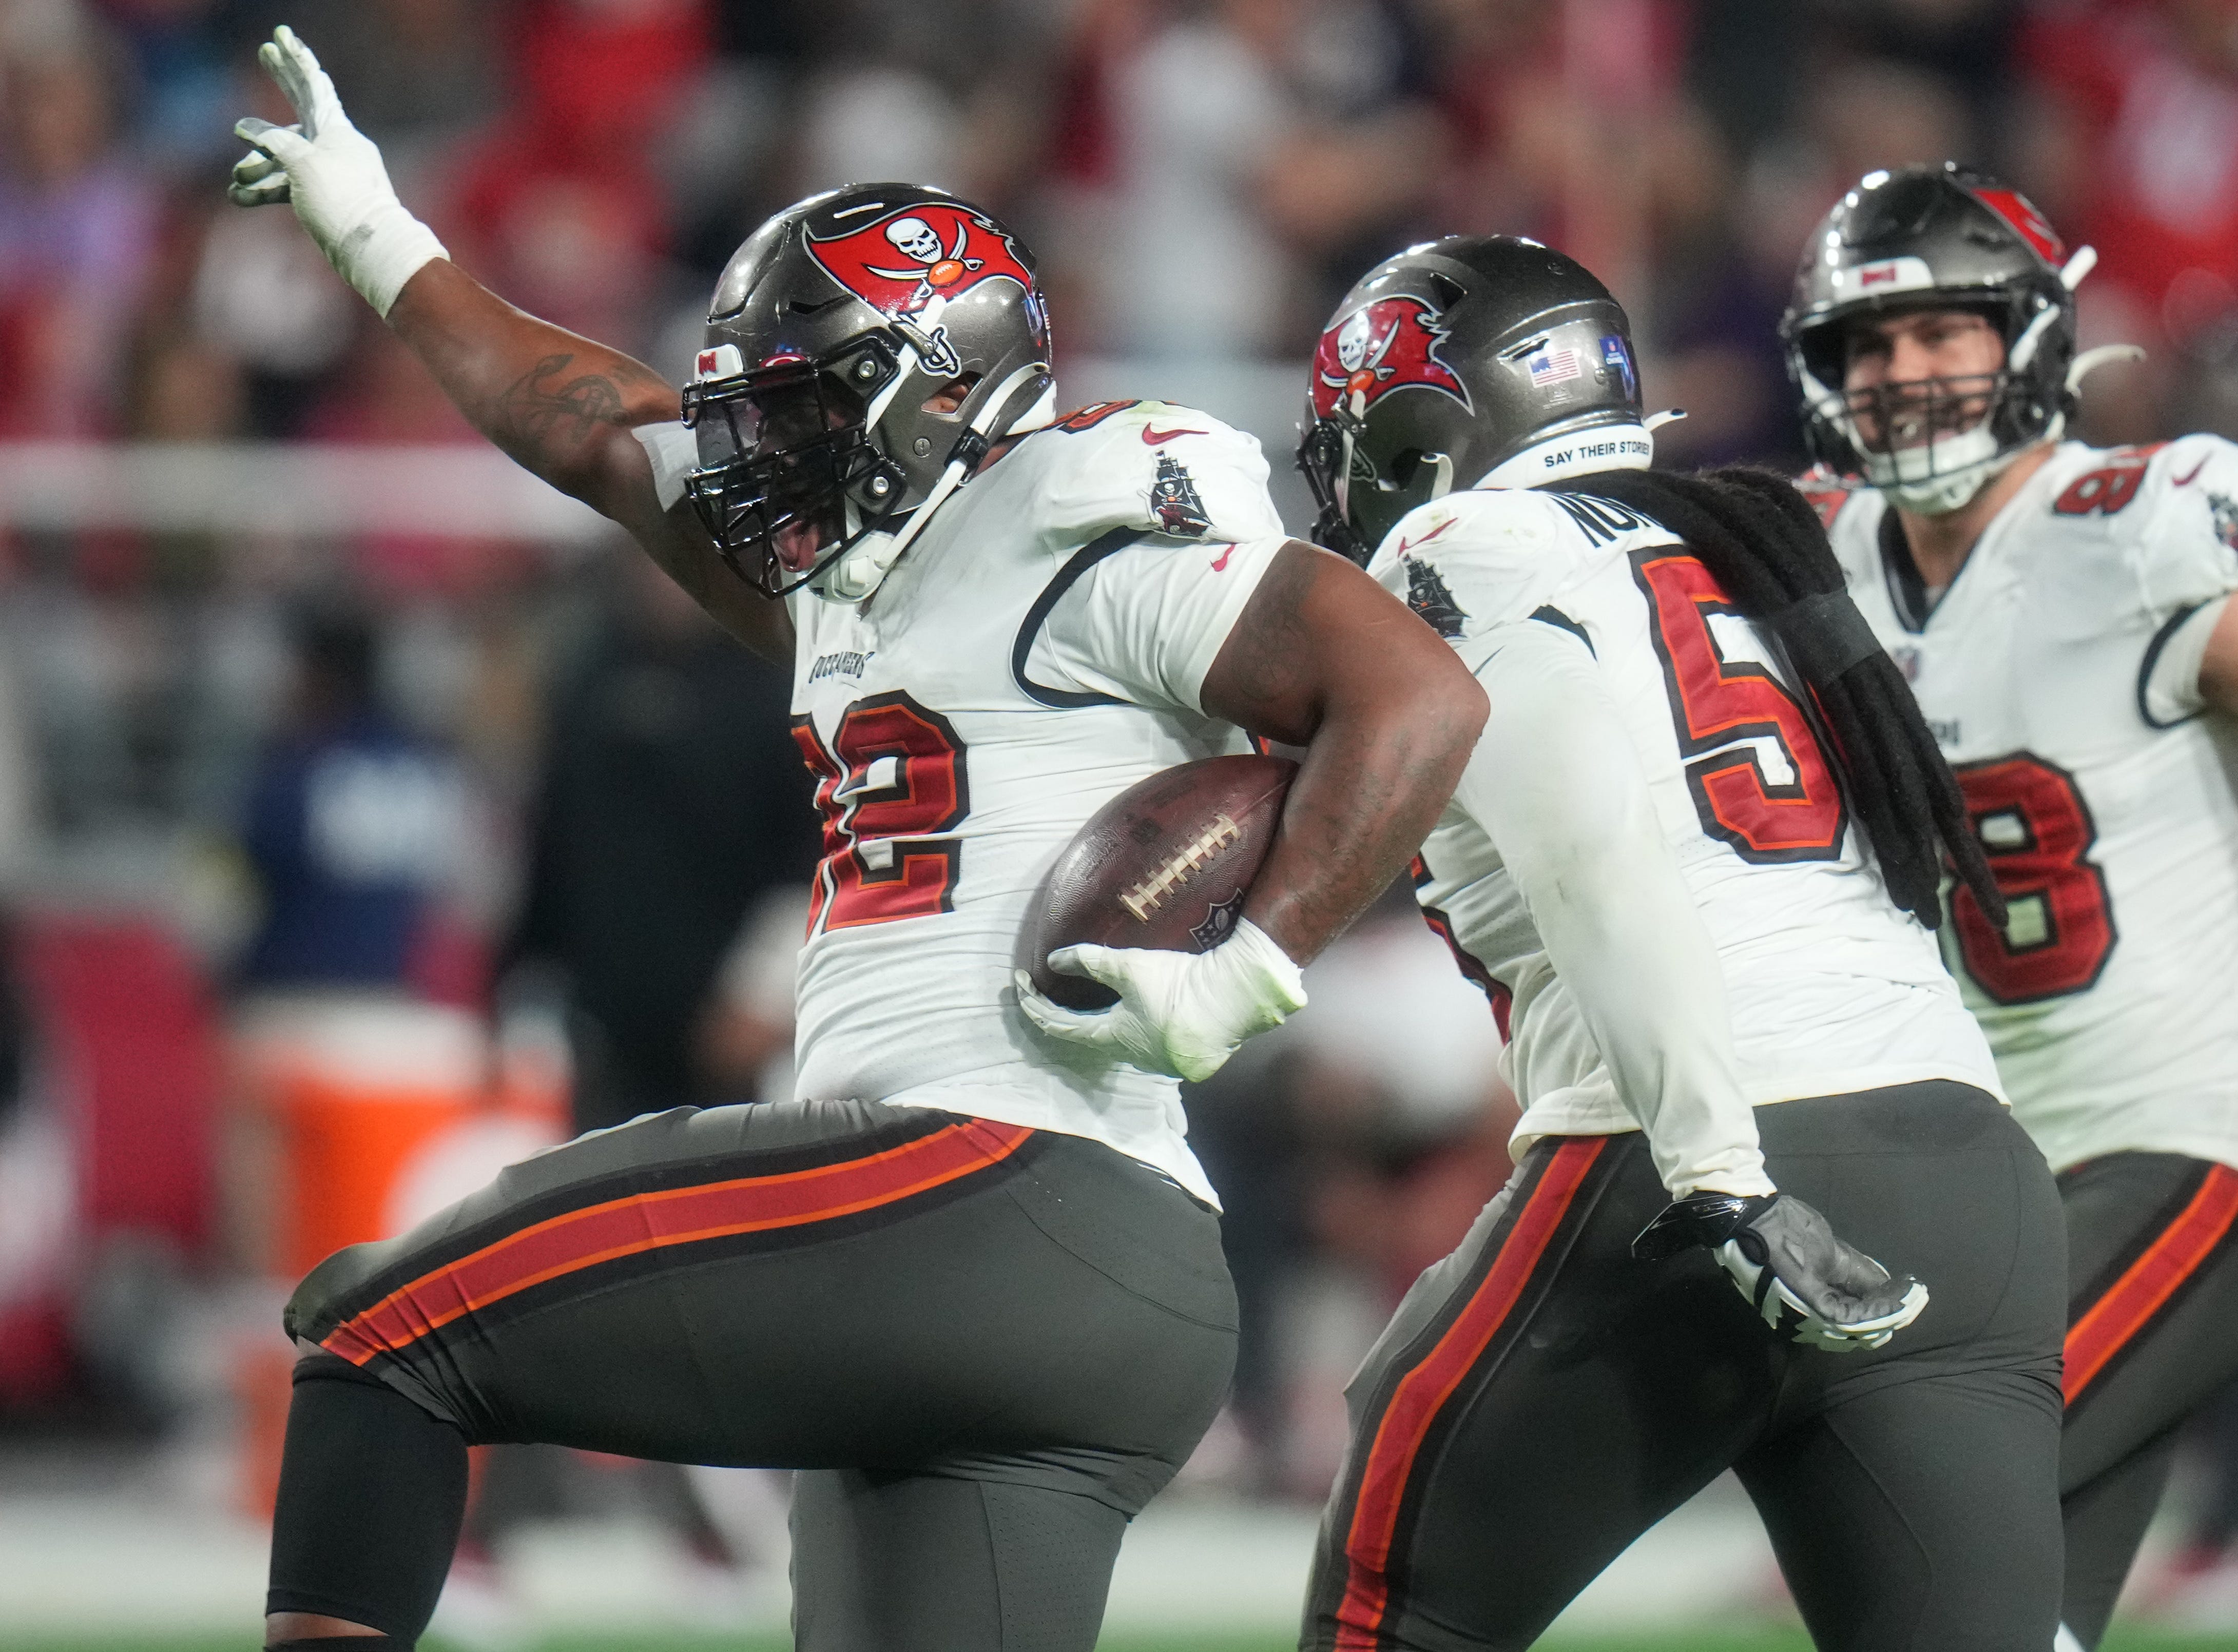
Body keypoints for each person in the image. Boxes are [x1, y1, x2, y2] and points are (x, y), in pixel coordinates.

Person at [225, 27, 1484, 1652]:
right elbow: (597, 427)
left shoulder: (1080, 532)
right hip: (1061, 1282)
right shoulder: (855, 578)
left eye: (805, 405)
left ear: (947, 385)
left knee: (384, 1335)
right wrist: (382, 239)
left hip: (991, 1182)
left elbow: (1416, 698)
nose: (763, 447)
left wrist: (1254, 962)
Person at [1291, 236, 2066, 1651]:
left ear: (1418, 431)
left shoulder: (1457, 546)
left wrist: (1719, 1173)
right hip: (1964, 1160)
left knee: (1387, 1610)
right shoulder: (1750, 542)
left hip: (1705, 1156)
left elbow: (1600, 842)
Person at [1783, 162, 2238, 1652]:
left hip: (2192, 1129)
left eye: (1942, 335)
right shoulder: (1811, 557)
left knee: (1922, 1495)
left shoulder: (2146, 519)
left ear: (2030, 337)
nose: (1903, 374)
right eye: (1869, 346)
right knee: (1995, 1614)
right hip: (2000, 1166)